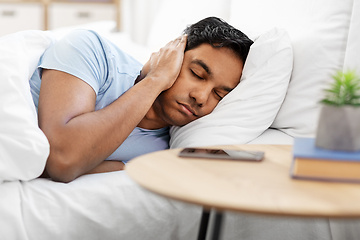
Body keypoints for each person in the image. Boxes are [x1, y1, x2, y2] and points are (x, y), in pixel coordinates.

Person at [29, 17, 253, 183]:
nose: (201, 97)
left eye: (219, 95)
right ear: (173, 52)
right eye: (197, 74)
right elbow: (63, 157)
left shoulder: (164, 152)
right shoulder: (92, 50)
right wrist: (156, 79)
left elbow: (57, 164)